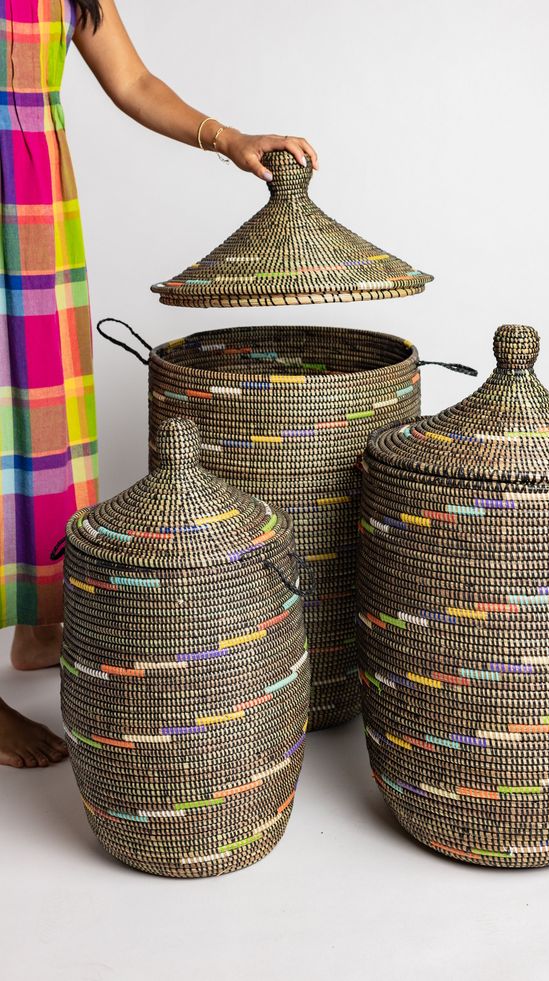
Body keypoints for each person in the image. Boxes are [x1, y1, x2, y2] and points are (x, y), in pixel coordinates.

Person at [0, 0, 318, 768]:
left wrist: (233, 139)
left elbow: (133, 79)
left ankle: (40, 623)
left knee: (43, 419)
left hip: (33, 209)